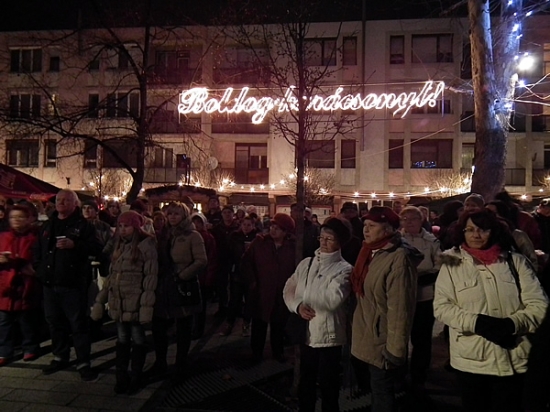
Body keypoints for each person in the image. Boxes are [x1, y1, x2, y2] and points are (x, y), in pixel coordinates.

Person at [433, 209, 548, 412]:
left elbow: (539, 305)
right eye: (470, 229)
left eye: (483, 229)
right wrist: (477, 322)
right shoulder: (451, 262)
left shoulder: (515, 261)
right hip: (471, 361)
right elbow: (442, 307)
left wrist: (512, 324)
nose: (476, 235)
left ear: (493, 231)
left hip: (514, 358)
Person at [350, 206, 421, 412]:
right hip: (368, 334)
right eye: (365, 225)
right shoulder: (369, 251)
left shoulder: (398, 258)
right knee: (376, 390)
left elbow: (400, 309)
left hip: (383, 341)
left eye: (372, 226)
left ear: (388, 228)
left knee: (382, 393)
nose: (366, 230)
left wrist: (396, 350)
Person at [283, 217, 353, 412]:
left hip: (329, 336)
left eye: (329, 239)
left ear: (340, 242)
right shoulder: (307, 263)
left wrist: (305, 298)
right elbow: (289, 287)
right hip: (306, 332)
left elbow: (332, 299)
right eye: (321, 237)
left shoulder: (345, 269)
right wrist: (297, 306)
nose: (323, 242)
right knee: (306, 380)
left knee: (329, 383)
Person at [33, 189, 101, 381]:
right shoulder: (48, 225)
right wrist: (40, 271)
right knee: (54, 322)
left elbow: (96, 248)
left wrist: (75, 245)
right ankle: (60, 356)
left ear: (75, 204)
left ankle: (83, 362)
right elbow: (37, 250)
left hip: (72, 284)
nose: (61, 203)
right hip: (50, 283)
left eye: (66, 200)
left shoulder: (83, 226)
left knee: (78, 324)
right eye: (59, 199)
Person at [91, 211, 158, 394]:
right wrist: (100, 301)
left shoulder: (146, 246)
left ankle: (136, 376)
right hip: (119, 301)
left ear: (135, 227)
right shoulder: (118, 246)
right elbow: (112, 277)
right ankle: (121, 376)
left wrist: (145, 307)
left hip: (135, 301)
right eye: (120, 226)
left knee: (137, 338)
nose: (122, 230)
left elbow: (150, 277)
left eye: (126, 226)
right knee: (122, 339)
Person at [151, 202, 207, 379]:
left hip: (182, 285)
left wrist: (183, 275)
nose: (172, 217)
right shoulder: (164, 235)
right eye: (170, 214)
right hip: (163, 285)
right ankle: (160, 362)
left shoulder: (192, 235)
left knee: (183, 327)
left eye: (176, 214)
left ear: (184, 215)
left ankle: (181, 364)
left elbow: (201, 260)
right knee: (159, 326)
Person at [241, 213, 296, 362]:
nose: (273, 230)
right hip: (261, 291)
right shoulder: (260, 243)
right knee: (259, 324)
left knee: (278, 325)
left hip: (281, 293)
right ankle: (256, 353)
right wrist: (252, 282)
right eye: (272, 227)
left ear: (285, 232)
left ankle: (278, 352)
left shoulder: (292, 247)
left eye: (277, 228)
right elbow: (246, 262)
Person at [399, 206, 441, 397]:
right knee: (400, 337)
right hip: (401, 297)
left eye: (413, 219)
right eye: (405, 219)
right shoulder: (396, 240)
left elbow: (439, 264)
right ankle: (399, 375)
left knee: (422, 339)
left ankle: (419, 377)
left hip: (424, 296)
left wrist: (426, 277)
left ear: (421, 220)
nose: (409, 222)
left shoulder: (431, 241)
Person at [0, 205, 41, 366]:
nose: (16, 220)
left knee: (27, 321)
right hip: (5, 285)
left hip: (26, 285)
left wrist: (29, 267)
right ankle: (4, 351)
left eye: (20, 217)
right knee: (4, 322)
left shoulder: (34, 238)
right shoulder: (3, 237)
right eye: (13, 217)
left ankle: (30, 348)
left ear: (28, 219)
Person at [220, 215, 259, 336]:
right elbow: (229, 252)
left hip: (251, 274)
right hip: (237, 272)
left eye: (249, 225)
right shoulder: (235, 236)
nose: (246, 227)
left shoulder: (257, 238)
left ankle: (246, 324)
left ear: (253, 226)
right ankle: (229, 323)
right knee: (234, 300)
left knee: (249, 301)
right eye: (244, 224)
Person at [190, 212, 217, 339]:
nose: (196, 225)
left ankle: (198, 329)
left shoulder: (208, 237)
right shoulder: (188, 236)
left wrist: (209, 277)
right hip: (190, 275)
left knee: (200, 306)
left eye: (199, 222)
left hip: (202, 276)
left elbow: (212, 258)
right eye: (194, 222)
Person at [210, 205, 240, 318]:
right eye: (225, 212)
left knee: (234, 285)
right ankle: (222, 307)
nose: (227, 215)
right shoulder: (217, 228)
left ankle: (233, 308)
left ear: (233, 214)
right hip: (221, 259)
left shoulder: (237, 228)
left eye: (229, 212)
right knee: (221, 285)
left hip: (234, 259)